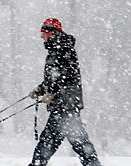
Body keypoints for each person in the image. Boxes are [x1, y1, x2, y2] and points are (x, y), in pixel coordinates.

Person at [28, 18, 101, 166]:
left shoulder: (62, 48)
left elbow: (65, 76)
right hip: (65, 104)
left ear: (51, 33)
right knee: (76, 140)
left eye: (44, 33)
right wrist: (41, 89)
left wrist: (52, 92)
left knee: (49, 142)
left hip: (65, 104)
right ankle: (92, 163)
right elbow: (54, 78)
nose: (42, 36)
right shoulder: (58, 48)